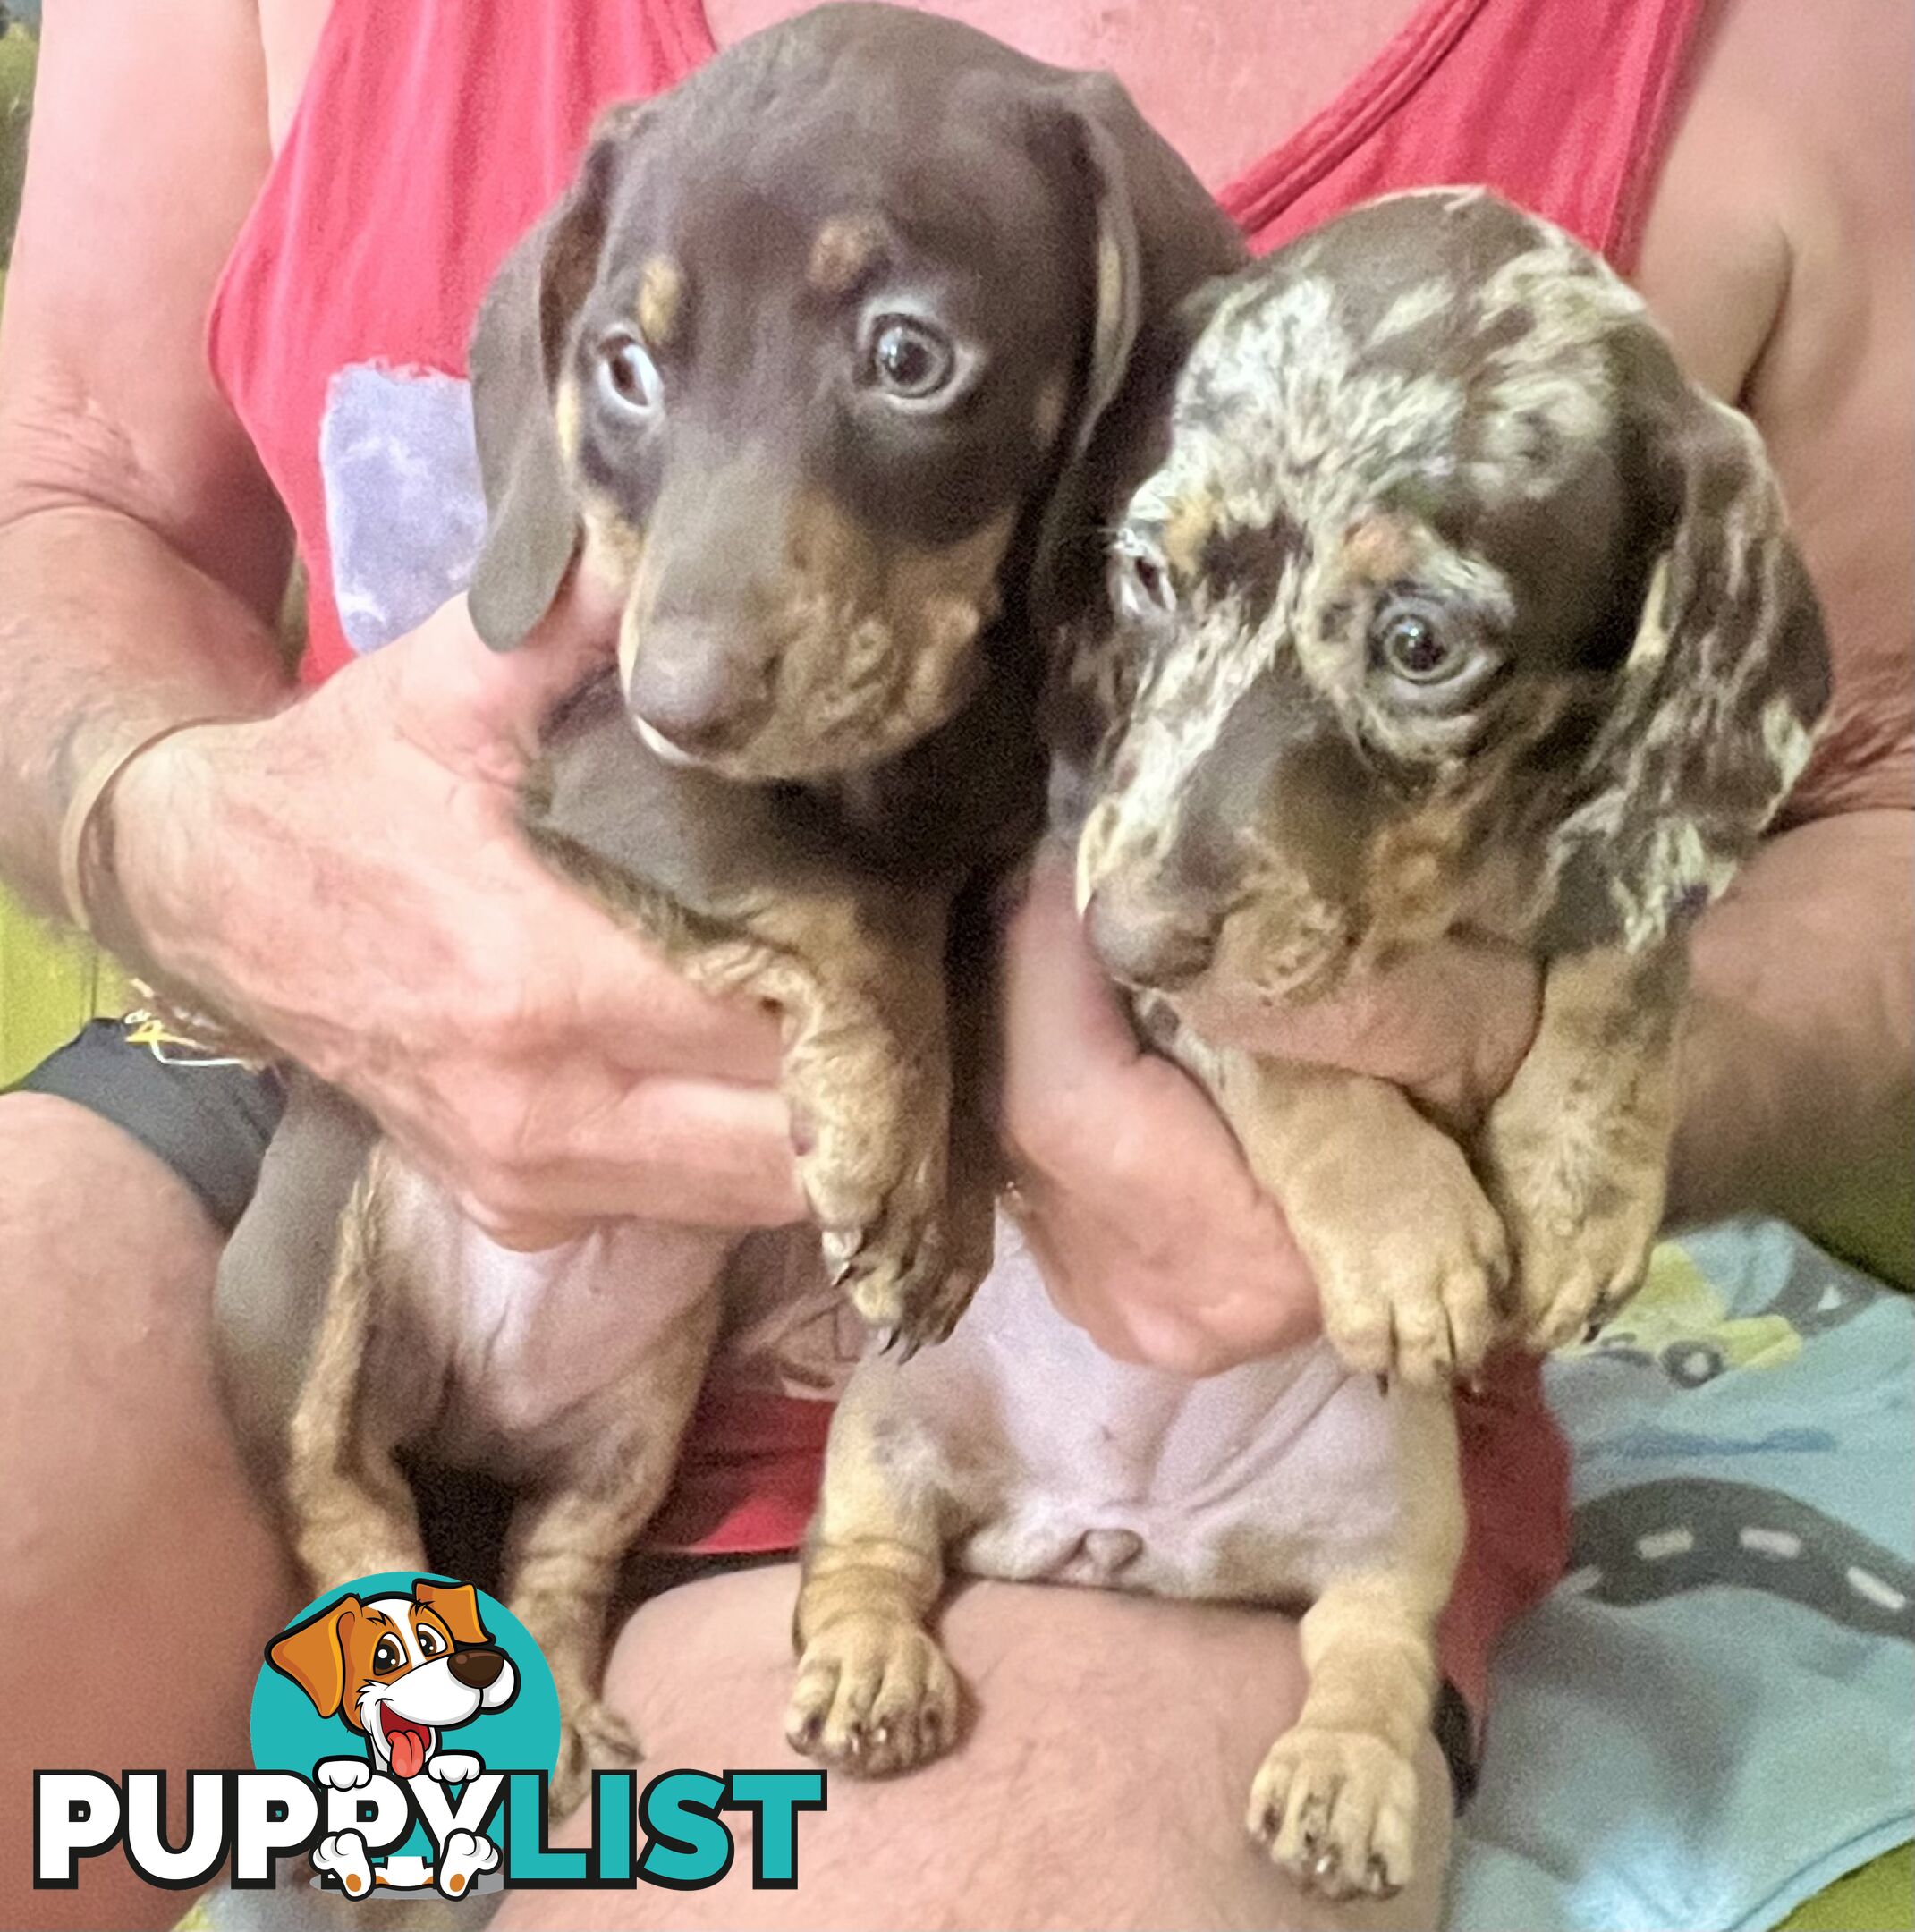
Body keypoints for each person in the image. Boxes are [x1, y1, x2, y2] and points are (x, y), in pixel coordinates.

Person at [0, 0, 1906, 1927]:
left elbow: (1885, 795)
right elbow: (66, 490)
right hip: (327, 1089)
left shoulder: (1804, 52)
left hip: (1100, 1367)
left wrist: (1502, 1067)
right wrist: (184, 842)